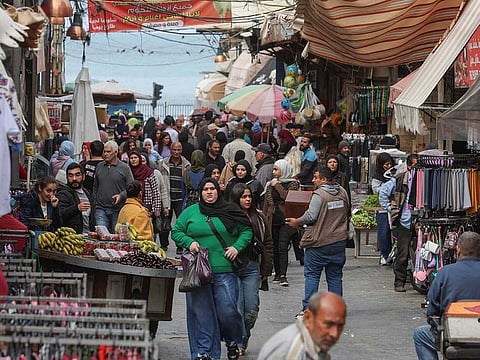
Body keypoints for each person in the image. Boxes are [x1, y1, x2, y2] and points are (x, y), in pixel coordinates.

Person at [171, 178, 253, 360]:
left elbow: (247, 230)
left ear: (218, 191)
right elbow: (176, 231)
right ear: (200, 192)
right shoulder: (191, 212)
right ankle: (204, 352)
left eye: (212, 189)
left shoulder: (230, 211)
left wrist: (236, 247)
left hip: (225, 270)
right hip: (198, 271)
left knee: (228, 311)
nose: (209, 192)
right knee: (201, 314)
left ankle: (233, 340)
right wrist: (189, 242)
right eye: (206, 189)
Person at [286, 166, 349, 313]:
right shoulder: (342, 192)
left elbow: (311, 216)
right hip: (338, 241)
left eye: (316, 178)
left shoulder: (319, 194)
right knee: (334, 277)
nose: (313, 180)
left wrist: (297, 221)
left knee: (312, 275)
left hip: (319, 243)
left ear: (324, 179)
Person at [413, 231, 480, 360]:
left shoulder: (445, 273)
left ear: (458, 249)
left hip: (453, 336)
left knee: (420, 335)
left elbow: (432, 310)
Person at [229, 183, 273, 355]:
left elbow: (268, 244)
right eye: (243, 197)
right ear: (236, 199)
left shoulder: (259, 217)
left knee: (252, 310)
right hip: (232, 267)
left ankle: (244, 336)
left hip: (252, 267)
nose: (247, 199)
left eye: (249, 196)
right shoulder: (228, 217)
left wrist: (266, 269)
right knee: (237, 308)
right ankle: (238, 341)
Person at [258, 291, 347, 360]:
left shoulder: (312, 343)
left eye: (340, 326)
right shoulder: (292, 351)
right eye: (328, 324)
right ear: (308, 318)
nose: (334, 333)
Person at [379, 154, 418, 292]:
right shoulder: (401, 178)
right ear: (408, 165)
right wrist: (392, 209)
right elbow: (383, 193)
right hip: (405, 220)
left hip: (421, 221)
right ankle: (399, 281)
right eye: (414, 166)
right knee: (403, 252)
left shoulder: (425, 178)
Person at [263, 159, 300, 287]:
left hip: (286, 219)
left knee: (282, 246)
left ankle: (283, 275)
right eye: (273, 169)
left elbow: (287, 197)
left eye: (276, 169)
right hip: (273, 219)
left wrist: (277, 185)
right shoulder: (270, 184)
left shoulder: (293, 183)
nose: (274, 172)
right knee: (274, 247)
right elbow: (267, 202)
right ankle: (277, 273)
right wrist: (263, 217)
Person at [93, 140, 134, 232]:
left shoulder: (124, 168)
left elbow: (131, 188)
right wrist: (95, 202)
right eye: (104, 151)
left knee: (115, 236)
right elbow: (95, 186)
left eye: (108, 152)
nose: (105, 154)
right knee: (101, 235)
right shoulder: (99, 166)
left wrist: (121, 195)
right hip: (101, 208)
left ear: (115, 153)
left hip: (118, 209)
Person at [158, 142, 191, 255]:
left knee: (181, 224)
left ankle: (180, 245)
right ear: (170, 150)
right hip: (167, 196)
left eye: (179, 150)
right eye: (174, 150)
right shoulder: (163, 164)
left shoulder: (186, 164)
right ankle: (163, 245)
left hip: (180, 198)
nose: (176, 152)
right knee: (165, 222)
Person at [57, 163, 94, 234]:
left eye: (77, 175)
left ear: (83, 177)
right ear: (67, 177)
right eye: (71, 175)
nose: (74, 179)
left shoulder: (88, 193)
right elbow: (60, 214)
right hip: (72, 237)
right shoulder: (63, 193)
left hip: (88, 236)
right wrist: (77, 208)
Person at [371, 152, 394, 265]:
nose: (388, 167)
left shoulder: (394, 174)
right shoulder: (377, 176)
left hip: (393, 208)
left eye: (390, 164)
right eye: (385, 164)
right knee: (383, 233)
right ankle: (384, 255)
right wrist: (389, 187)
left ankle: (392, 255)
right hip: (382, 209)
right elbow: (376, 190)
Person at [128, 150, 162, 221]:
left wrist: (157, 208)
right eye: (131, 158)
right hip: (132, 204)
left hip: (147, 204)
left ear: (139, 159)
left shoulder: (148, 172)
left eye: (135, 157)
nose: (133, 160)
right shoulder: (128, 171)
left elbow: (155, 191)